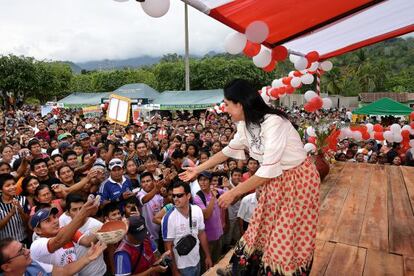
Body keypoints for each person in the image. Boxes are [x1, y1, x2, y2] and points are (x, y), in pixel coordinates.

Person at [180, 79, 320, 275]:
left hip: (297, 182)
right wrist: (198, 169)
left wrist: (234, 192)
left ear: (240, 103)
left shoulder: (274, 123)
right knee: (260, 227)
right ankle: (243, 270)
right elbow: (229, 150)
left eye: (227, 104)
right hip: (275, 180)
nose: (226, 109)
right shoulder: (245, 125)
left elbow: (269, 169)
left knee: (285, 235)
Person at [161, 182, 212, 276]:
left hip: (197, 260)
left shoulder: (197, 210)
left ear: (188, 196)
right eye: (174, 196)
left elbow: (201, 234)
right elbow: (168, 247)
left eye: (179, 195)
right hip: (182, 267)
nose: (175, 199)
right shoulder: (168, 218)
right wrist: (175, 271)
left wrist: (207, 256)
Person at [0, 237, 107, 276]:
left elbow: (63, 271)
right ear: (6, 267)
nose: (28, 251)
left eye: (23, 247)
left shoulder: (33, 264)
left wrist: (87, 258)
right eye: (21, 252)